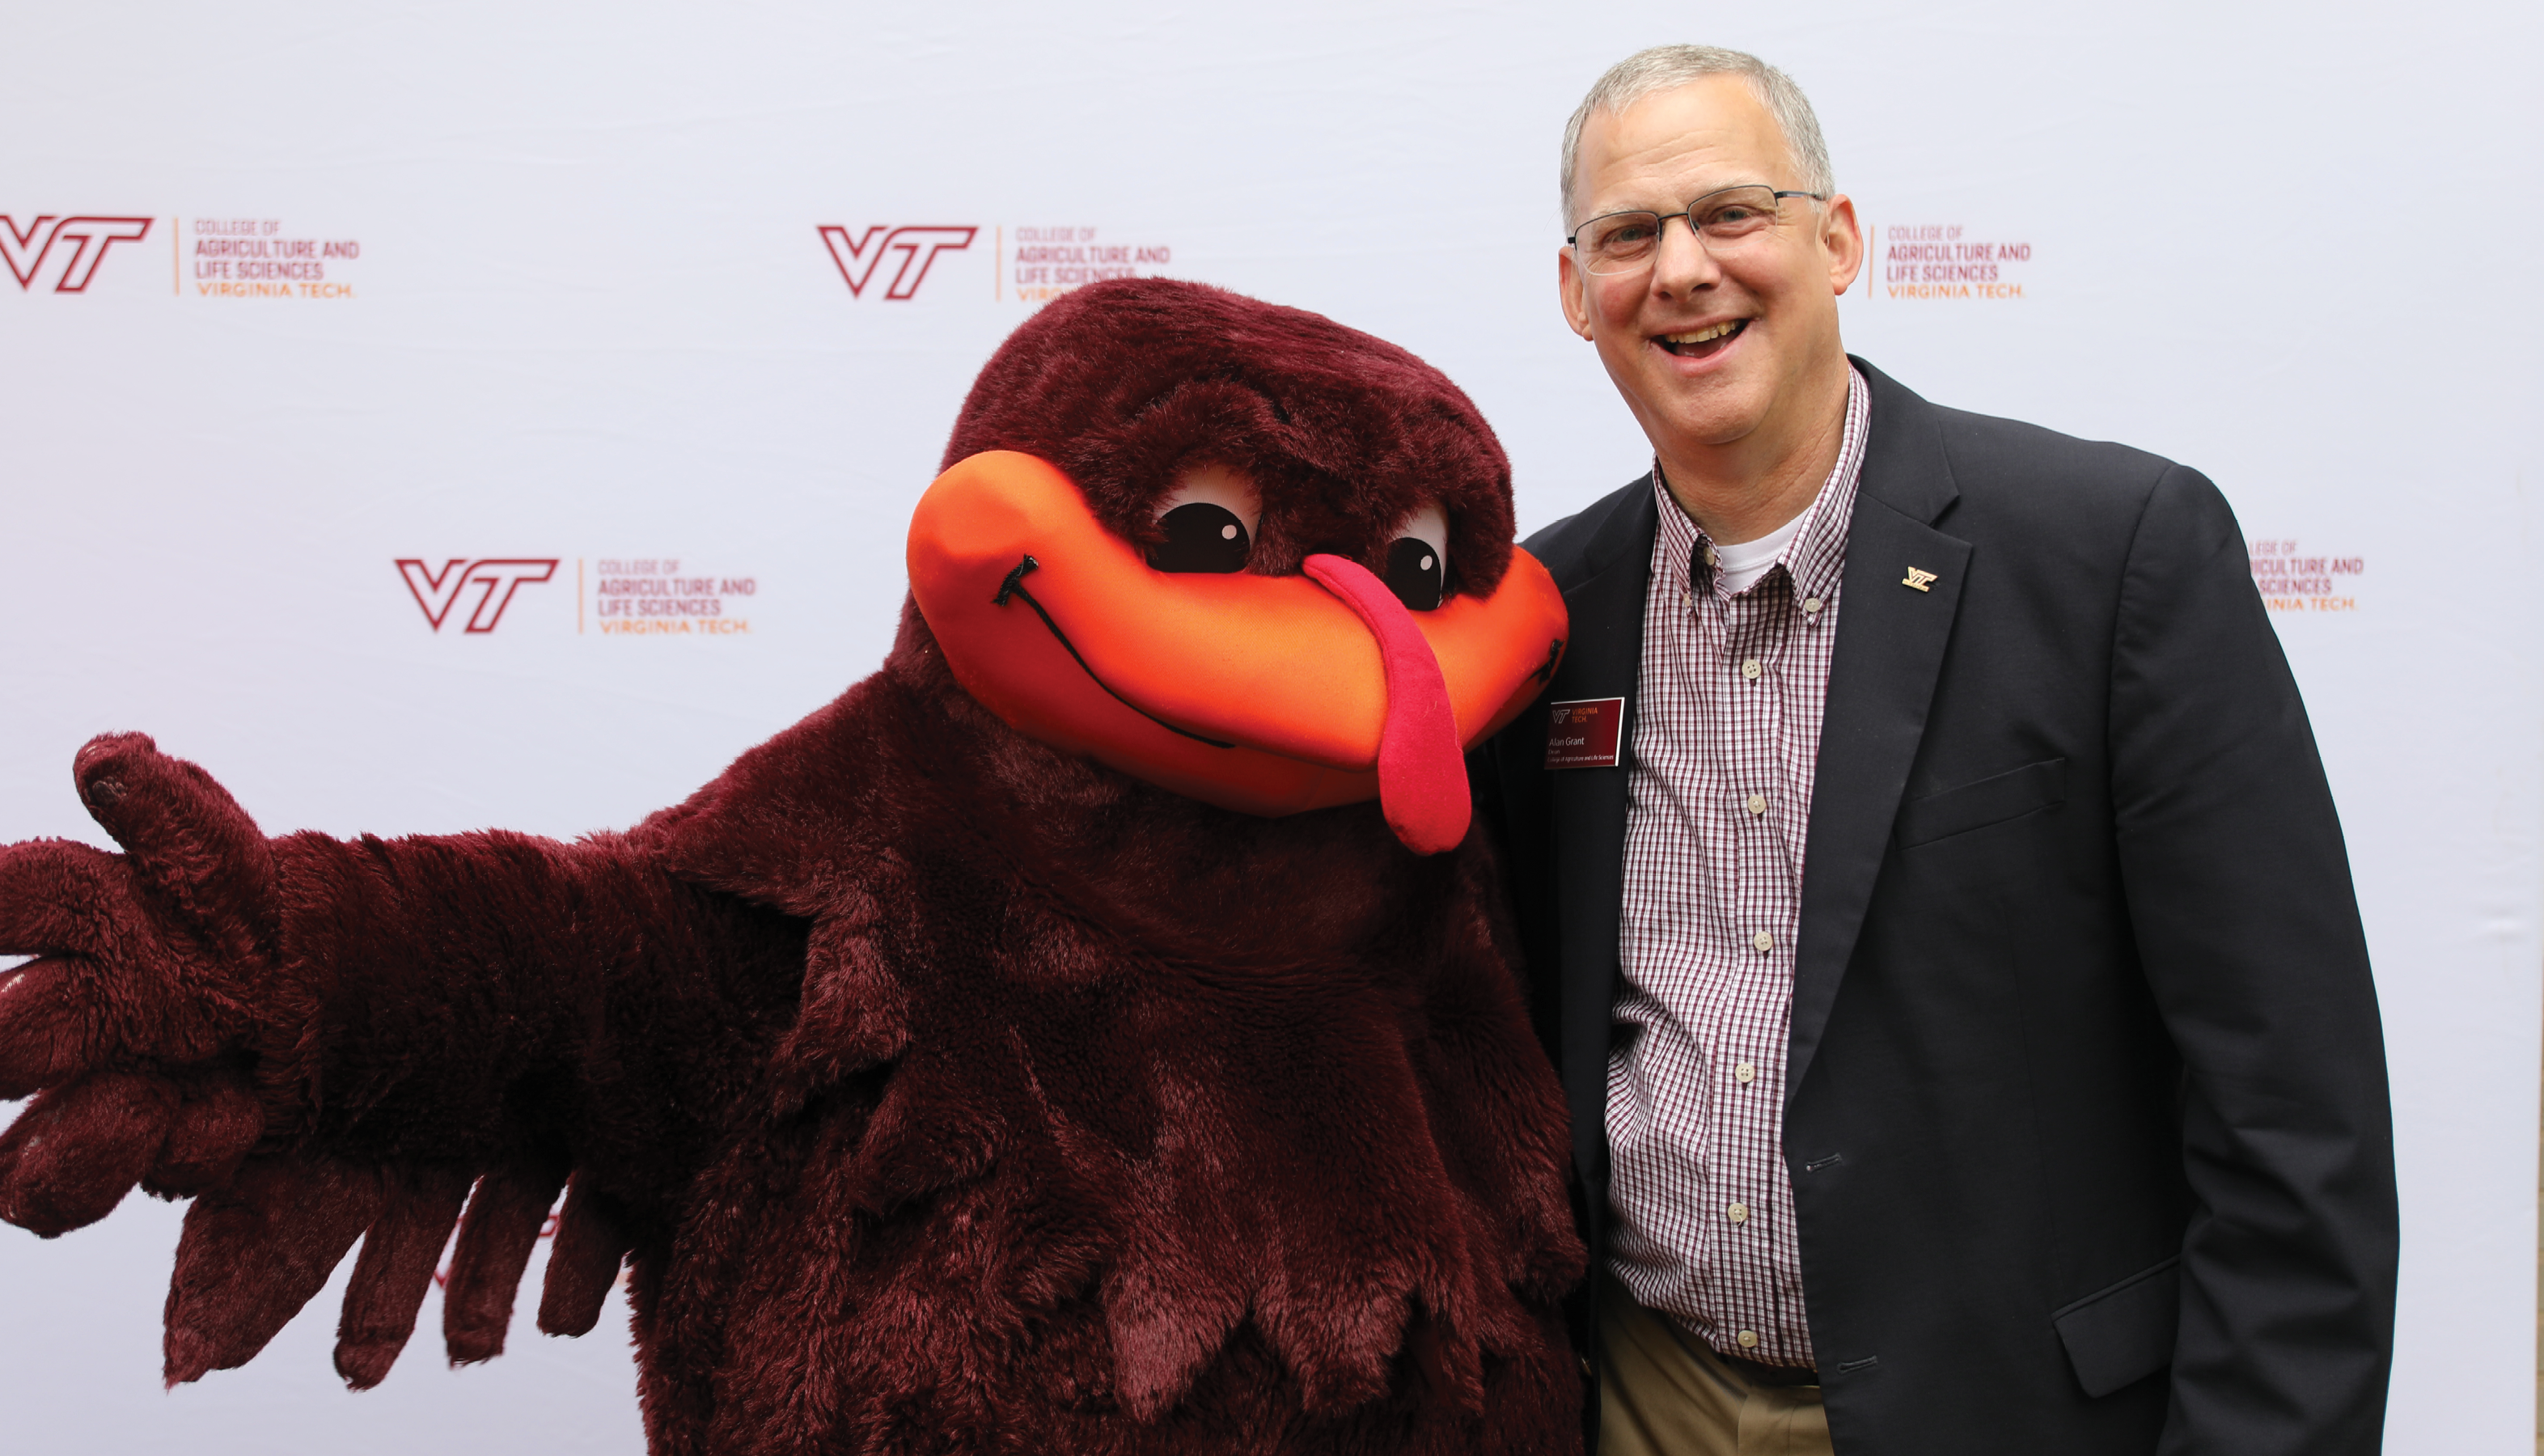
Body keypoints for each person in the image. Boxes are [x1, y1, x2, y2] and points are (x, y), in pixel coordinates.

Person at [1474, 44, 2398, 1456]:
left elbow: (2293, 1121)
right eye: (1628, 235)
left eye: (1731, 212)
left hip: (2011, 1414)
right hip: (1643, 1402)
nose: (1681, 270)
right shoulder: (1544, 620)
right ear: (1573, 292)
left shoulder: (2115, 558)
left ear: (1834, 241)